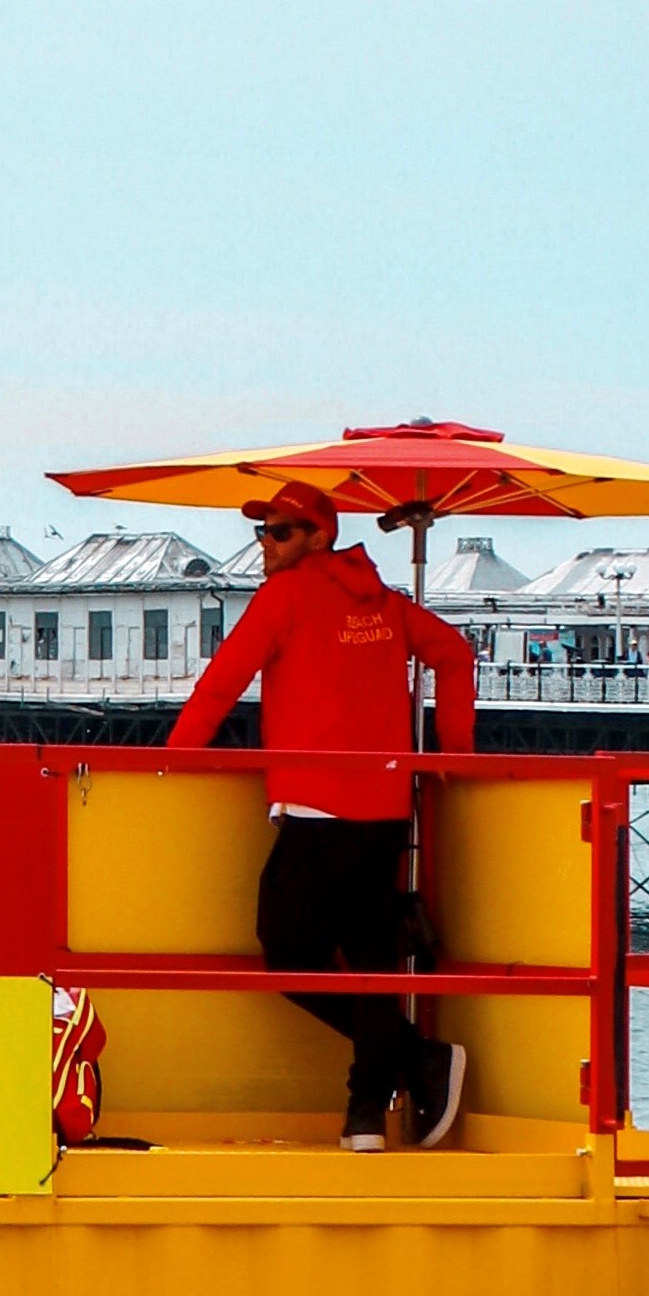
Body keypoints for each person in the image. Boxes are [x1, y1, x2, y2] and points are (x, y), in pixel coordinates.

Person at [163, 481, 478, 1149]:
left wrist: (173, 754)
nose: (264, 546)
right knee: (367, 957)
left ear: (316, 537)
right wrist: (454, 753)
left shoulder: (286, 595)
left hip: (317, 807)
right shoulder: (385, 605)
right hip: (386, 806)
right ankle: (364, 1115)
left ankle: (418, 1060)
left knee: (287, 950)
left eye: (278, 533)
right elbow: (453, 654)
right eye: (262, 532)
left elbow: (224, 678)